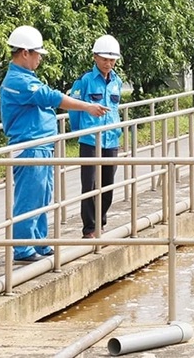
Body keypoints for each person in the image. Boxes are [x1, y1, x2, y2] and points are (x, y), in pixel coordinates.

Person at [0, 25, 110, 264]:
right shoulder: (18, 81)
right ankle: (22, 247)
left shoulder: (27, 77)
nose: (40, 58)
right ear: (25, 52)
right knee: (29, 197)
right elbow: (50, 97)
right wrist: (87, 106)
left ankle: (39, 240)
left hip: (41, 145)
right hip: (29, 145)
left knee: (43, 196)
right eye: (38, 53)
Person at [68, 35, 123, 239]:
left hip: (111, 139)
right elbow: (73, 111)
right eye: (104, 59)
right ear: (94, 57)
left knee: (108, 183)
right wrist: (80, 132)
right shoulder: (84, 81)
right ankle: (89, 228)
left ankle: (101, 222)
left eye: (112, 60)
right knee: (89, 185)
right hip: (90, 140)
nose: (108, 63)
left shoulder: (117, 81)